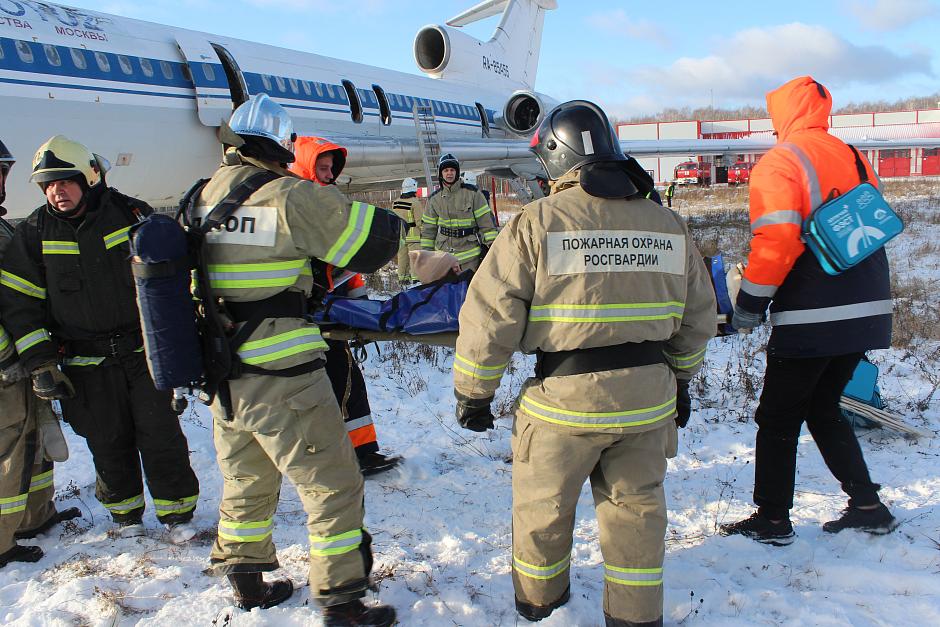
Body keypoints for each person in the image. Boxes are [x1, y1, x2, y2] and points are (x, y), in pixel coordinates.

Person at [453, 101, 716, 626]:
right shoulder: (668, 223)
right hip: (648, 405)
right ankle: (636, 617)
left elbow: (491, 315)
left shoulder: (537, 222)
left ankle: (541, 606)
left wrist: (474, 392)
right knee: (638, 517)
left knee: (543, 512)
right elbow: (699, 317)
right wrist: (681, 381)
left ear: (556, 156)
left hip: (563, 407)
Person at [191, 94, 399, 624]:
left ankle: (247, 582)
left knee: (246, 479)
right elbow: (370, 244)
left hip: (224, 372)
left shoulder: (201, 196)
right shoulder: (286, 195)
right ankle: (342, 600)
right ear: (282, 148)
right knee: (334, 484)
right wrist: (397, 220)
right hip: (284, 373)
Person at [719, 76, 897, 545]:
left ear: (781, 115)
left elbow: (777, 240)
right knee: (822, 407)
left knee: (777, 418)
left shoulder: (781, 161)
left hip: (813, 313)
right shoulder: (853, 156)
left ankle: (772, 520)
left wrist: (749, 304)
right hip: (867, 306)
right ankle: (868, 506)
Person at [0, 136, 199, 542]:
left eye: (65, 182)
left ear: (88, 179)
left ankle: (178, 515)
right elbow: (21, 305)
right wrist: (41, 364)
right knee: (107, 442)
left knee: (160, 435)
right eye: (48, 185)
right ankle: (126, 518)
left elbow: (169, 283)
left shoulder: (131, 214)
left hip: (142, 354)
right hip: (84, 363)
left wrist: (181, 342)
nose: (56, 191)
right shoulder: (34, 232)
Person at [291, 136, 401, 476]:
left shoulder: (333, 210)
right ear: (305, 169)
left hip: (328, 317)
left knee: (347, 382)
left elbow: (348, 268)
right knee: (312, 392)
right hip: (296, 322)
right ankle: (327, 457)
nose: (329, 174)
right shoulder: (292, 209)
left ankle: (363, 452)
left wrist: (361, 312)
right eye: (322, 168)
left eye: (330, 169)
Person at [0, 139, 81, 568]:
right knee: (8, 450)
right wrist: (7, 359)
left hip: (21, 359)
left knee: (32, 440)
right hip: (5, 367)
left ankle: (35, 516)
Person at [420, 153, 497, 271]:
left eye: (452, 170)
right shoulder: (433, 199)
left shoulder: (473, 194)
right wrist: (427, 256)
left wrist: (493, 248)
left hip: (470, 258)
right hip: (443, 257)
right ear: (441, 173)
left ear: (457, 172)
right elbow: (428, 231)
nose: (449, 173)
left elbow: (486, 224)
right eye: (446, 170)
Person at [392, 178, 422, 284]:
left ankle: (402, 279)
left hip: (400, 235)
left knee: (402, 258)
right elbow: (419, 222)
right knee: (415, 258)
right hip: (413, 236)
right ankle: (416, 280)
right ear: (414, 188)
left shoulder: (395, 202)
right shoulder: (415, 203)